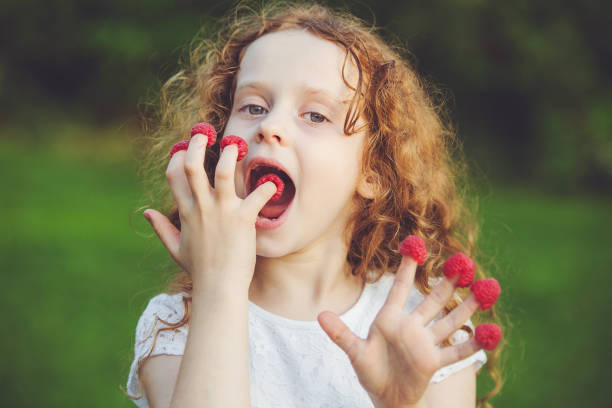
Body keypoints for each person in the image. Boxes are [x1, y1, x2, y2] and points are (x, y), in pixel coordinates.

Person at [123, 1, 505, 407]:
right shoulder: (175, 327)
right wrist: (219, 284)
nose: (269, 126)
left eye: (316, 116)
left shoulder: (421, 332)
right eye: (253, 107)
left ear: (372, 171)